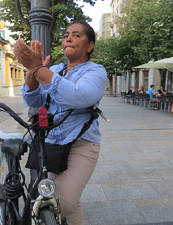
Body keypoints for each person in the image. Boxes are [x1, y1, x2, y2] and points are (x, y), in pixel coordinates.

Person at [13, 21, 107, 225]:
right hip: (52, 142)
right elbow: (33, 100)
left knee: (62, 201)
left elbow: (80, 96)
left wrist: (38, 68)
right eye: (66, 35)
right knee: (61, 199)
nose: (68, 38)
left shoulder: (95, 71)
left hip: (81, 143)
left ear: (89, 46)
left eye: (76, 35)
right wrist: (32, 74)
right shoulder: (54, 69)